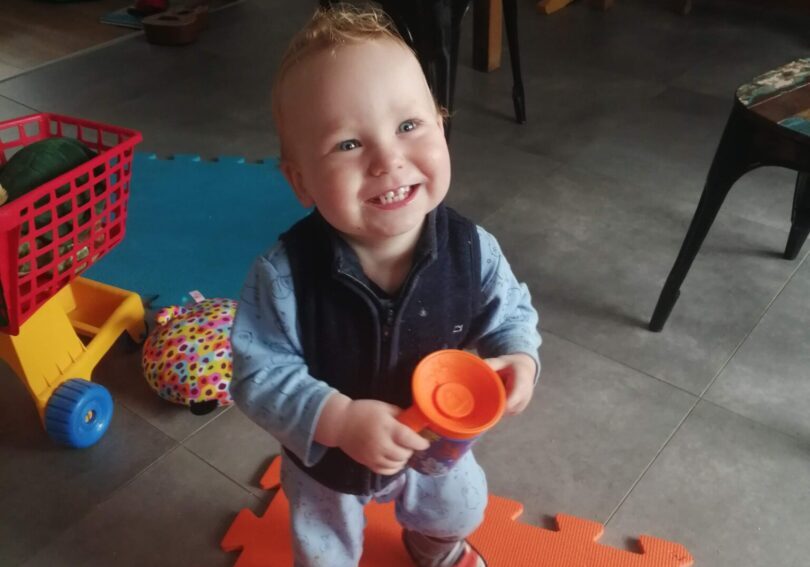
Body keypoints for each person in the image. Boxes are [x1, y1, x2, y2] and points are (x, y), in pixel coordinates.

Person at [230, 4, 541, 566]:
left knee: (461, 508)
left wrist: (519, 356)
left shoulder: (473, 250)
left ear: (441, 126)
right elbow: (257, 375)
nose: (387, 159)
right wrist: (338, 420)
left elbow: (512, 312)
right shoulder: (283, 277)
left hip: (438, 446)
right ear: (300, 180)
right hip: (328, 460)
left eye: (408, 126)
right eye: (348, 144)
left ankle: (433, 545)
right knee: (321, 545)